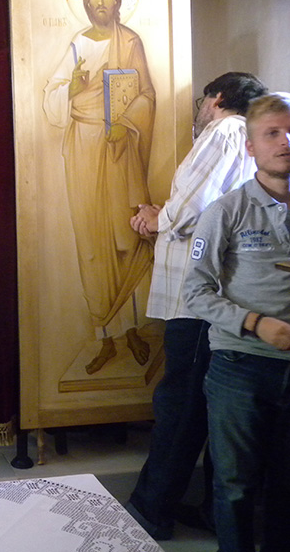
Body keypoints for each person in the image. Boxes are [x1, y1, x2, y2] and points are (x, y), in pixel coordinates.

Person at [125, 72, 266, 540]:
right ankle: (210, 509)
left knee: (181, 402)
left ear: (217, 98)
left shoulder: (225, 130)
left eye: (203, 100)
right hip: (221, 292)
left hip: (200, 293)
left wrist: (155, 218)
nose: (200, 109)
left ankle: (152, 508)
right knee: (205, 403)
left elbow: (193, 205)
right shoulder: (246, 136)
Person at [182, 93, 290, 552]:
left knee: (286, 488)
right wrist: (255, 323)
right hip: (241, 367)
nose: (285, 142)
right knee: (236, 486)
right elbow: (195, 292)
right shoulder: (225, 211)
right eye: (272, 133)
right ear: (250, 147)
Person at [43, 0, 155, 375]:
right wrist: (70, 90)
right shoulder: (78, 43)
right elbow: (51, 96)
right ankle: (106, 337)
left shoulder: (131, 42)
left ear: (118, 0)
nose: (101, 1)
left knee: (125, 237)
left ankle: (133, 331)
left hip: (119, 149)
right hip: (83, 150)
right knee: (91, 242)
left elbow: (146, 94)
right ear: (86, 1)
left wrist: (124, 125)